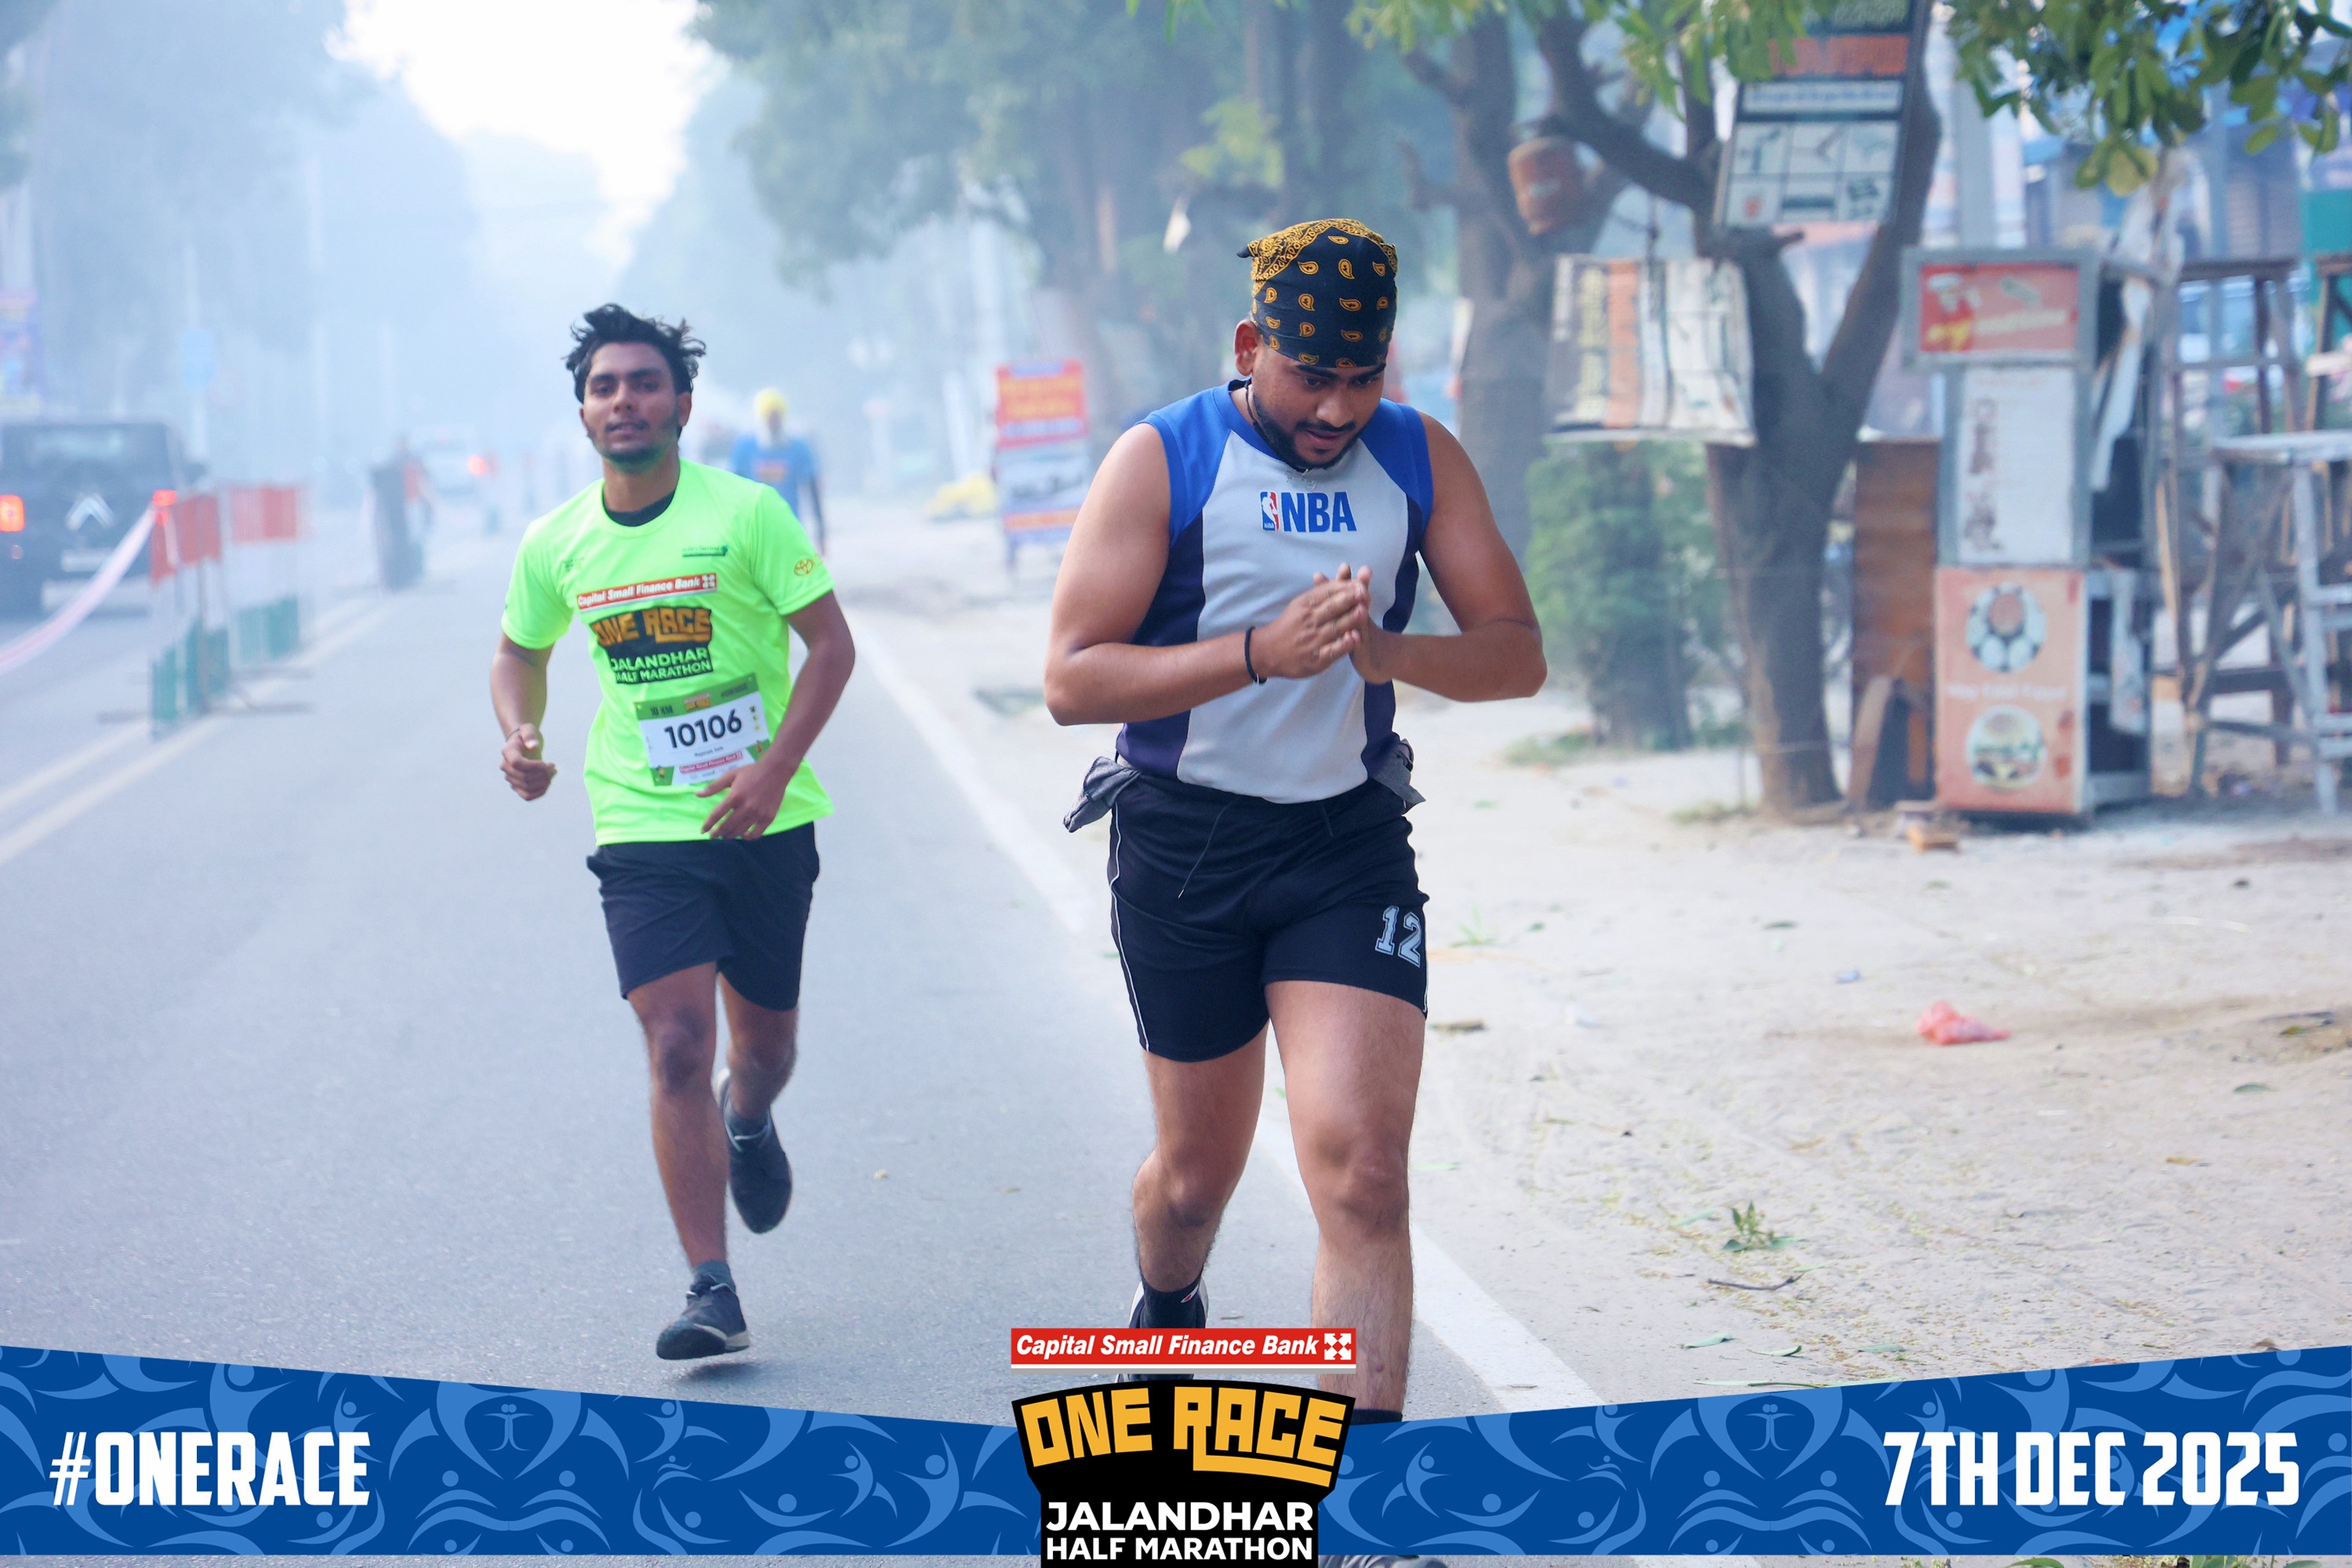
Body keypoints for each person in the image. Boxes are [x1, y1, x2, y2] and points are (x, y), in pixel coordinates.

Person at [1043, 220, 1544, 1424]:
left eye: (1363, 377)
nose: (1336, 408)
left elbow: (1517, 655)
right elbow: (1071, 679)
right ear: (1249, 346)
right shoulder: (1162, 458)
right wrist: (1259, 654)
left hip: (1344, 846)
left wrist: (1392, 653)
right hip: (1185, 848)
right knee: (1193, 1182)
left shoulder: (1418, 455)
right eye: (1312, 373)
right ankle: (1170, 1298)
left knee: (1363, 1175)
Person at [491, 304, 855, 1360]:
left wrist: (773, 768)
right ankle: (712, 1286)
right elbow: (518, 653)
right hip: (643, 824)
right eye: (604, 387)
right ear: (583, 413)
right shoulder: (556, 542)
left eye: (644, 383)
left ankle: (751, 1119)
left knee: (764, 1048)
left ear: (682, 405)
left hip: (767, 819)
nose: (624, 401)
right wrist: (520, 729)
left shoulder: (748, 514)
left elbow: (830, 647)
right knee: (677, 1043)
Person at [730, 388, 826, 552]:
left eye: (776, 417)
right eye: (768, 416)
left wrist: (820, 532)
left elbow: (813, 490)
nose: (772, 422)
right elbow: (733, 491)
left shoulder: (798, 448)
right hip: (754, 529)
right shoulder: (745, 448)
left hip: (789, 526)